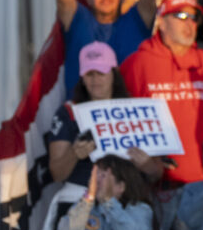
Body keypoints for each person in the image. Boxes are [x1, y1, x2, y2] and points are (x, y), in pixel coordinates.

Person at [119, 0, 203, 230]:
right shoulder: (136, 65)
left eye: (194, 17)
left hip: (202, 186)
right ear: (161, 21)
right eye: (180, 15)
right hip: (152, 185)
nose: (189, 23)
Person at [48, 42, 146, 186]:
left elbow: (156, 173)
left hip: (127, 194)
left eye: (101, 73)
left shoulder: (135, 109)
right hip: (81, 194)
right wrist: (74, 154)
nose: (95, 80)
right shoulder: (68, 113)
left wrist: (147, 164)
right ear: (82, 78)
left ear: (114, 73)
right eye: (89, 74)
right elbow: (56, 174)